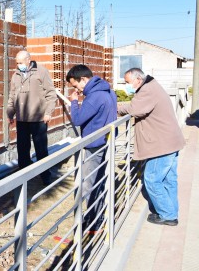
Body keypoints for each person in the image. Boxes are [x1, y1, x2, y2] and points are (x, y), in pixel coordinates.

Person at [118, 68, 185, 226]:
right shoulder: (151, 86)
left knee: (152, 180)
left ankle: (168, 215)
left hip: (161, 144)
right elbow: (139, 105)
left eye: (128, 82)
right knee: (169, 180)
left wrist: (119, 108)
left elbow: (136, 109)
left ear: (138, 80)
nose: (126, 86)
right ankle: (171, 211)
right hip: (170, 141)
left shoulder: (147, 90)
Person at [66, 65, 117, 232]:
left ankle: (95, 222)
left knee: (89, 184)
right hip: (105, 142)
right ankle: (98, 216)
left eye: (75, 85)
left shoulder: (94, 97)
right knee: (101, 181)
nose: (76, 89)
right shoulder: (108, 91)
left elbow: (78, 119)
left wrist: (74, 101)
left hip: (95, 146)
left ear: (84, 79)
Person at [7, 50, 58, 185]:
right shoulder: (16, 75)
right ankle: (25, 177)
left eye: (21, 62)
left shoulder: (41, 72)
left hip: (39, 118)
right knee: (22, 149)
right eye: (17, 63)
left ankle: (45, 176)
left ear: (28, 60)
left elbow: (51, 94)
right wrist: (10, 113)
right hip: (22, 119)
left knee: (41, 149)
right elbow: (12, 95)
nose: (18, 65)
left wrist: (48, 112)